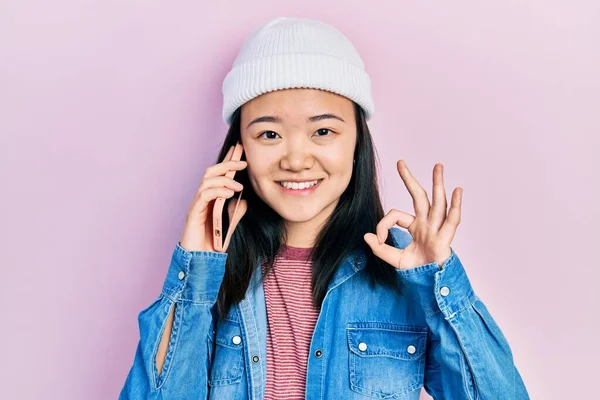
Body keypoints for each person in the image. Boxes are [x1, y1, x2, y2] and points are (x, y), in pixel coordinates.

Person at [119, 16, 530, 400]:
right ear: (238, 148)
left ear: (356, 144)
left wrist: (437, 282)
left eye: (323, 131)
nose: (296, 159)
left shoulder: (405, 271)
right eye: (269, 133)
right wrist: (195, 270)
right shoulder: (214, 273)